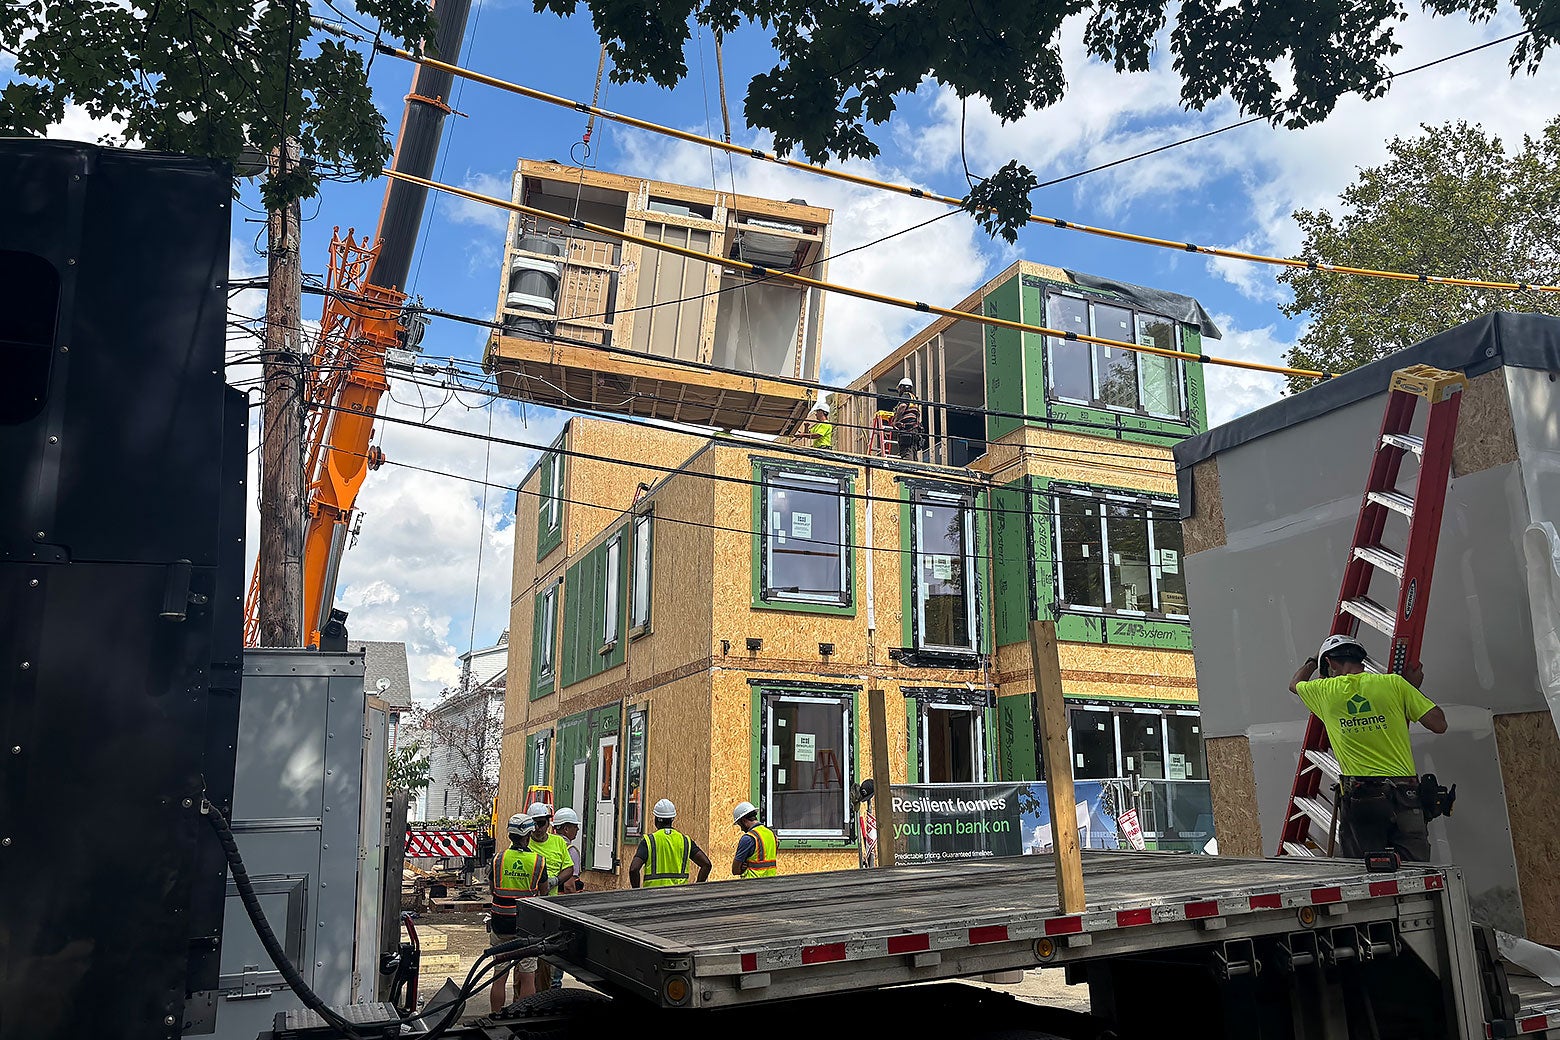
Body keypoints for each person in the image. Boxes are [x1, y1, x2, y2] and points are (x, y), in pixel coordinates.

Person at [1288, 634, 1448, 861]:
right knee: (1416, 870)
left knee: (1363, 870)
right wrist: (1411, 691)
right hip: (1405, 795)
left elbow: (1294, 684)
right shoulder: (1394, 684)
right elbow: (1439, 724)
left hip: (1361, 797)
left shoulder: (1324, 691)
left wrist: (1313, 661)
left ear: (1331, 663)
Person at [487, 814, 548, 1014]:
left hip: (500, 923)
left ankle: (495, 1016)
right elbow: (544, 892)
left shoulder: (498, 859)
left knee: (499, 975)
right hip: (525, 926)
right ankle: (520, 1016)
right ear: (528, 834)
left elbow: (492, 888)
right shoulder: (538, 861)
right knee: (527, 975)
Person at [628, 798, 712, 888]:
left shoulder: (649, 841)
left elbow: (634, 869)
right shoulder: (685, 841)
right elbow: (706, 864)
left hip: (653, 897)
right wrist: (696, 889)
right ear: (672, 819)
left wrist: (636, 892)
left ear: (656, 819)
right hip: (679, 897)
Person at [730, 801, 778, 878]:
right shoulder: (771, 834)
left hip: (752, 885)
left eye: (740, 824)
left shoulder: (748, 838)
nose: (741, 829)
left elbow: (735, 870)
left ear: (744, 821)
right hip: (771, 884)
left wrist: (743, 866)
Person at [890, 377, 923, 460]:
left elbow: (902, 406)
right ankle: (914, 471)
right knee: (913, 451)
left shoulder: (906, 395)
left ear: (902, 387)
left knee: (906, 452)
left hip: (907, 429)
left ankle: (907, 470)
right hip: (915, 430)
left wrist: (895, 421)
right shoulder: (914, 399)